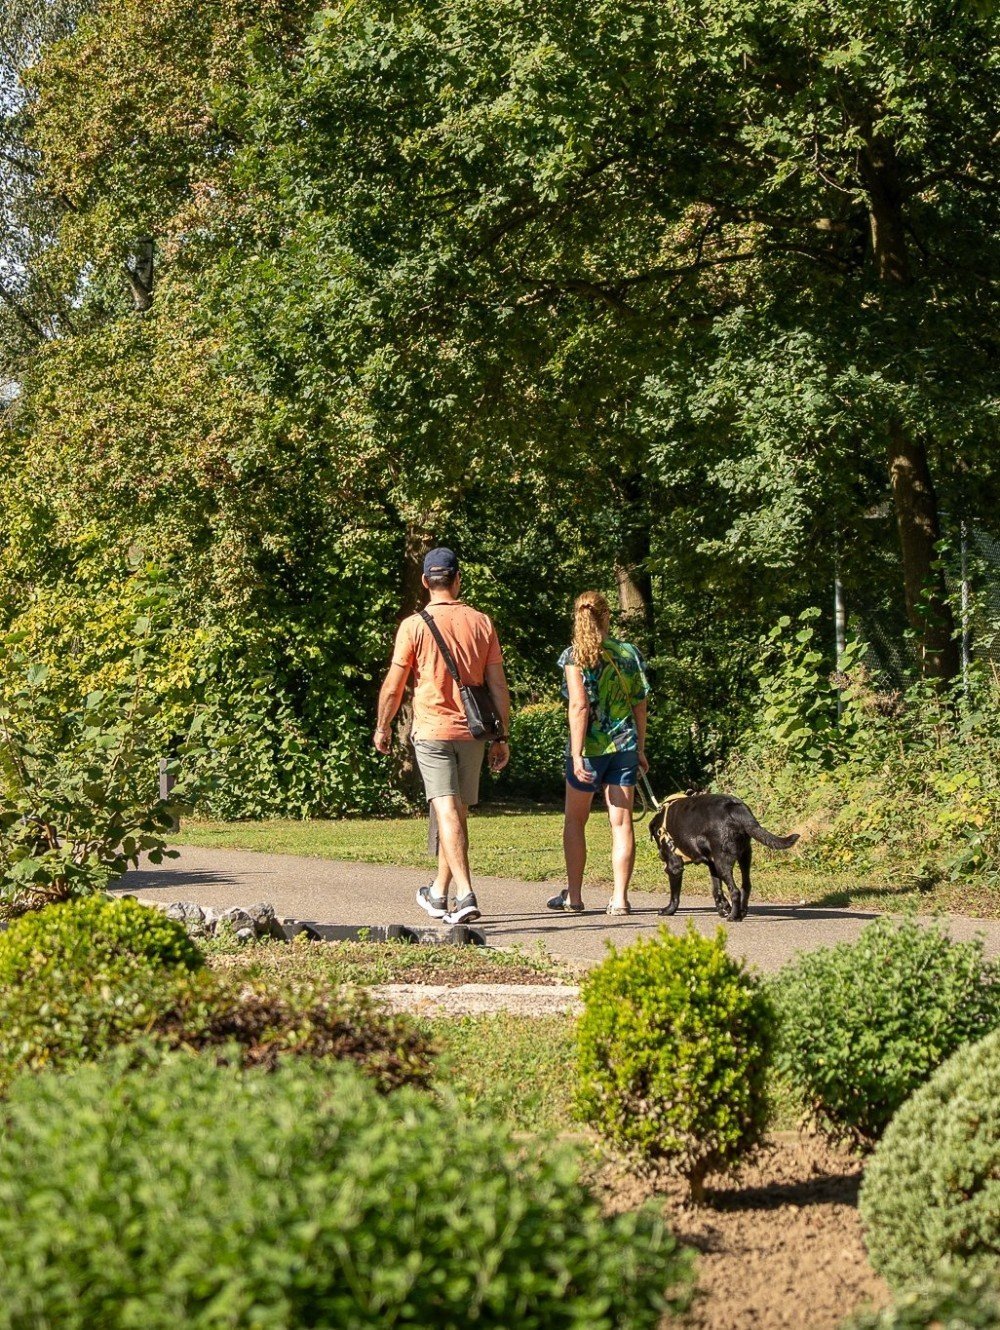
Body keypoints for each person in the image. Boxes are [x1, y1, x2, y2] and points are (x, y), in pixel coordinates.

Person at [373, 548, 510, 925]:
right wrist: (502, 735)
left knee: (446, 810)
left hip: (432, 730)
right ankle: (437, 892)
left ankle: (465, 894)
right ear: (458, 579)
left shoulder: (413, 626)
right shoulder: (481, 622)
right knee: (456, 813)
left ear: (425, 582)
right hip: (474, 731)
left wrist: (383, 726)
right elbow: (498, 685)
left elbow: (393, 686)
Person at [547, 590, 649, 916]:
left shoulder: (574, 656)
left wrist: (576, 755)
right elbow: (641, 705)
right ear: (607, 616)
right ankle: (619, 898)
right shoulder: (628, 653)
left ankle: (574, 897)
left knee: (576, 820)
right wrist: (641, 749)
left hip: (589, 750)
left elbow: (578, 706)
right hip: (624, 747)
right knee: (621, 824)